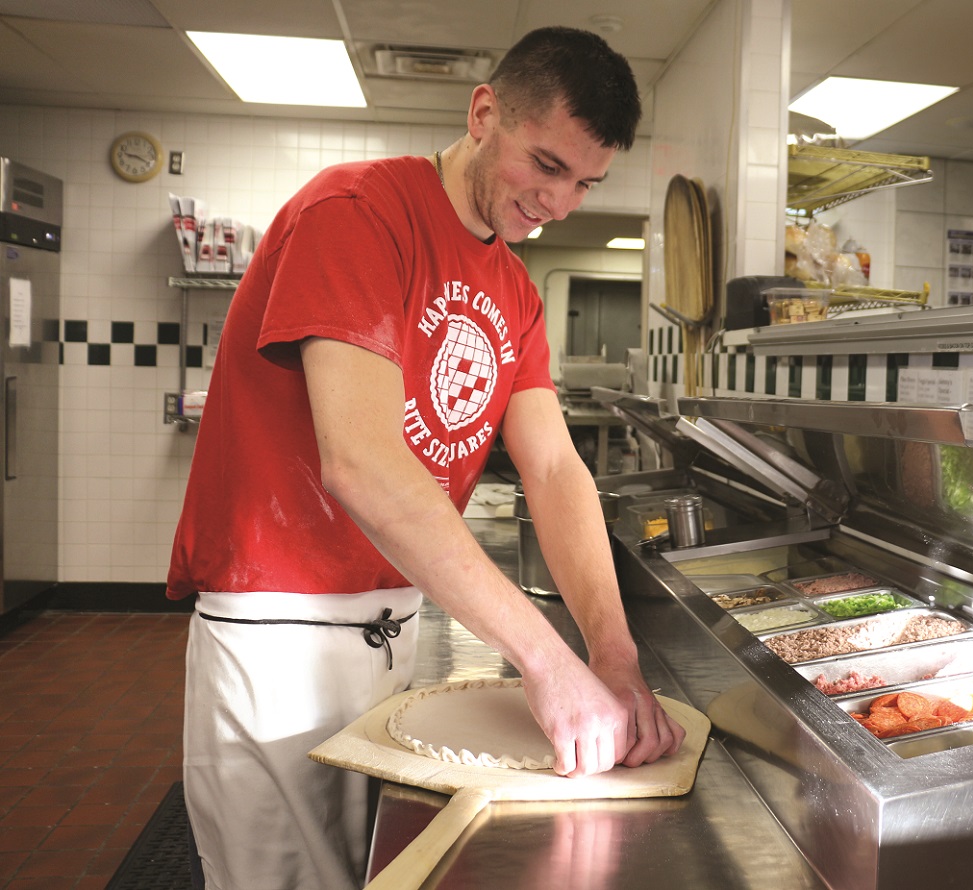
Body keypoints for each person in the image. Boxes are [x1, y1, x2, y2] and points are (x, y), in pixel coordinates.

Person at [168, 25, 685, 890]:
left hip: (391, 620)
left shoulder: (515, 290)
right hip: (279, 630)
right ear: (484, 113)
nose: (560, 203)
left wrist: (612, 653)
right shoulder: (358, 214)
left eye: (586, 183)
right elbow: (363, 463)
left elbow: (555, 471)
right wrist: (546, 661)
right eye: (546, 165)